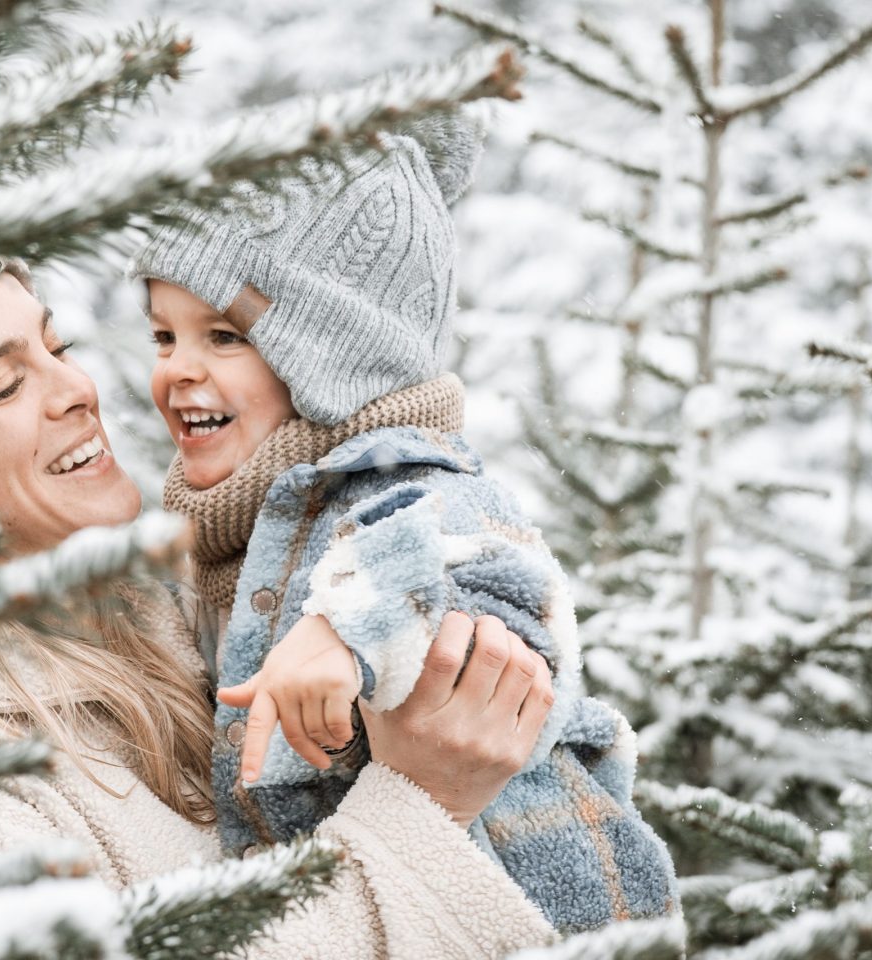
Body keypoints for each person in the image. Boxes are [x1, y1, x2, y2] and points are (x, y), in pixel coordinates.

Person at [0, 257, 560, 958]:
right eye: (5, 385)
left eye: (59, 348)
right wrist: (424, 805)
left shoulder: (213, 595)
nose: (76, 391)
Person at [128, 116, 678, 933]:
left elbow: (493, 574)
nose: (178, 369)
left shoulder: (409, 477)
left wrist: (345, 629)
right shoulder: (223, 534)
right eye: (164, 335)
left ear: (334, 354)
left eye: (225, 337)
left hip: (541, 912)